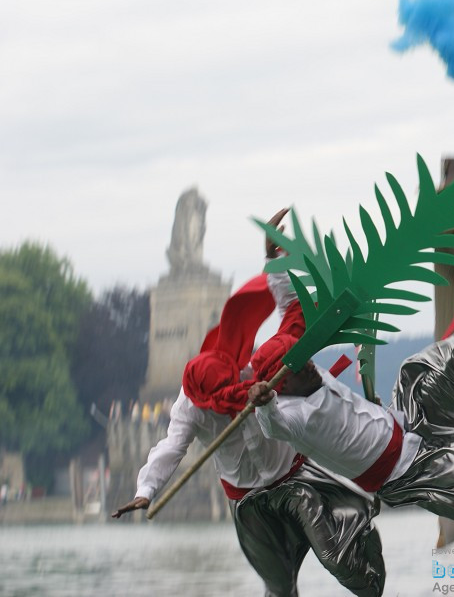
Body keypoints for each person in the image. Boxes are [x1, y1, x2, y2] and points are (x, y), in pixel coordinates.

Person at [249, 216, 454, 597]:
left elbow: (290, 306)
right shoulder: (291, 418)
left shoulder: (300, 369)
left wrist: (272, 256)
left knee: (443, 354)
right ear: (282, 385)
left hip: (410, 414)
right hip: (411, 472)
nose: (310, 364)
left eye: (305, 357)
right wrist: (262, 402)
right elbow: (271, 422)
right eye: (299, 367)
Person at [113, 210, 384, 597]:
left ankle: (368, 574)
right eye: (221, 400)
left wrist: (274, 258)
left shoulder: (256, 375)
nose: (230, 398)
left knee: (340, 556)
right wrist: (146, 490)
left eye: (233, 389)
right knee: (277, 589)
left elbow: (293, 317)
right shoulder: (189, 406)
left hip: (294, 477)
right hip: (247, 503)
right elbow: (171, 447)